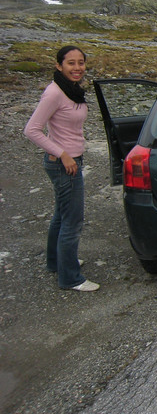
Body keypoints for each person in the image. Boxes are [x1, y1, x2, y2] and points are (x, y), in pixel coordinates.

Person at [24, 46, 99, 292]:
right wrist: (63, 154)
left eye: (81, 63)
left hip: (70, 160)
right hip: (63, 164)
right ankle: (71, 278)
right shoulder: (54, 92)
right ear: (59, 65)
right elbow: (32, 130)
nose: (77, 68)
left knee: (61, 215)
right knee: (72, 220)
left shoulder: (71, 90)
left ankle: (56, 262)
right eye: (71, 63)